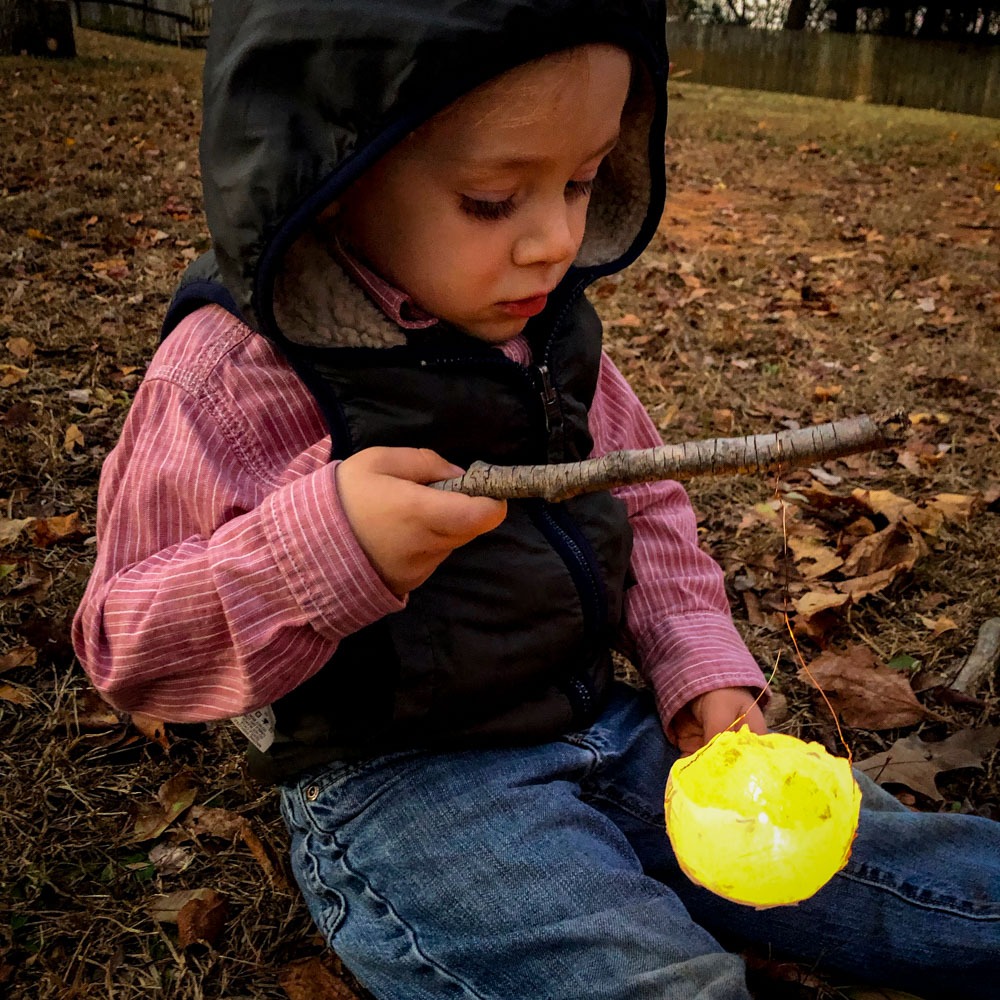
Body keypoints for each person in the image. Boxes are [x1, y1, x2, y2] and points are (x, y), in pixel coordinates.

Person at [72, 1, 1000, 997]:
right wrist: (324, 549)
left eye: (582, 180)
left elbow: (644, 508)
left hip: (612, 726)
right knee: (639, 977)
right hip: (414, 789)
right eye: (491, 200)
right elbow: (127, 644)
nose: (554, 239)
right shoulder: (231, 378)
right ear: (331, 178)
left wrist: (695, 661)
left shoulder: (546, 335)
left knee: (909, 871)